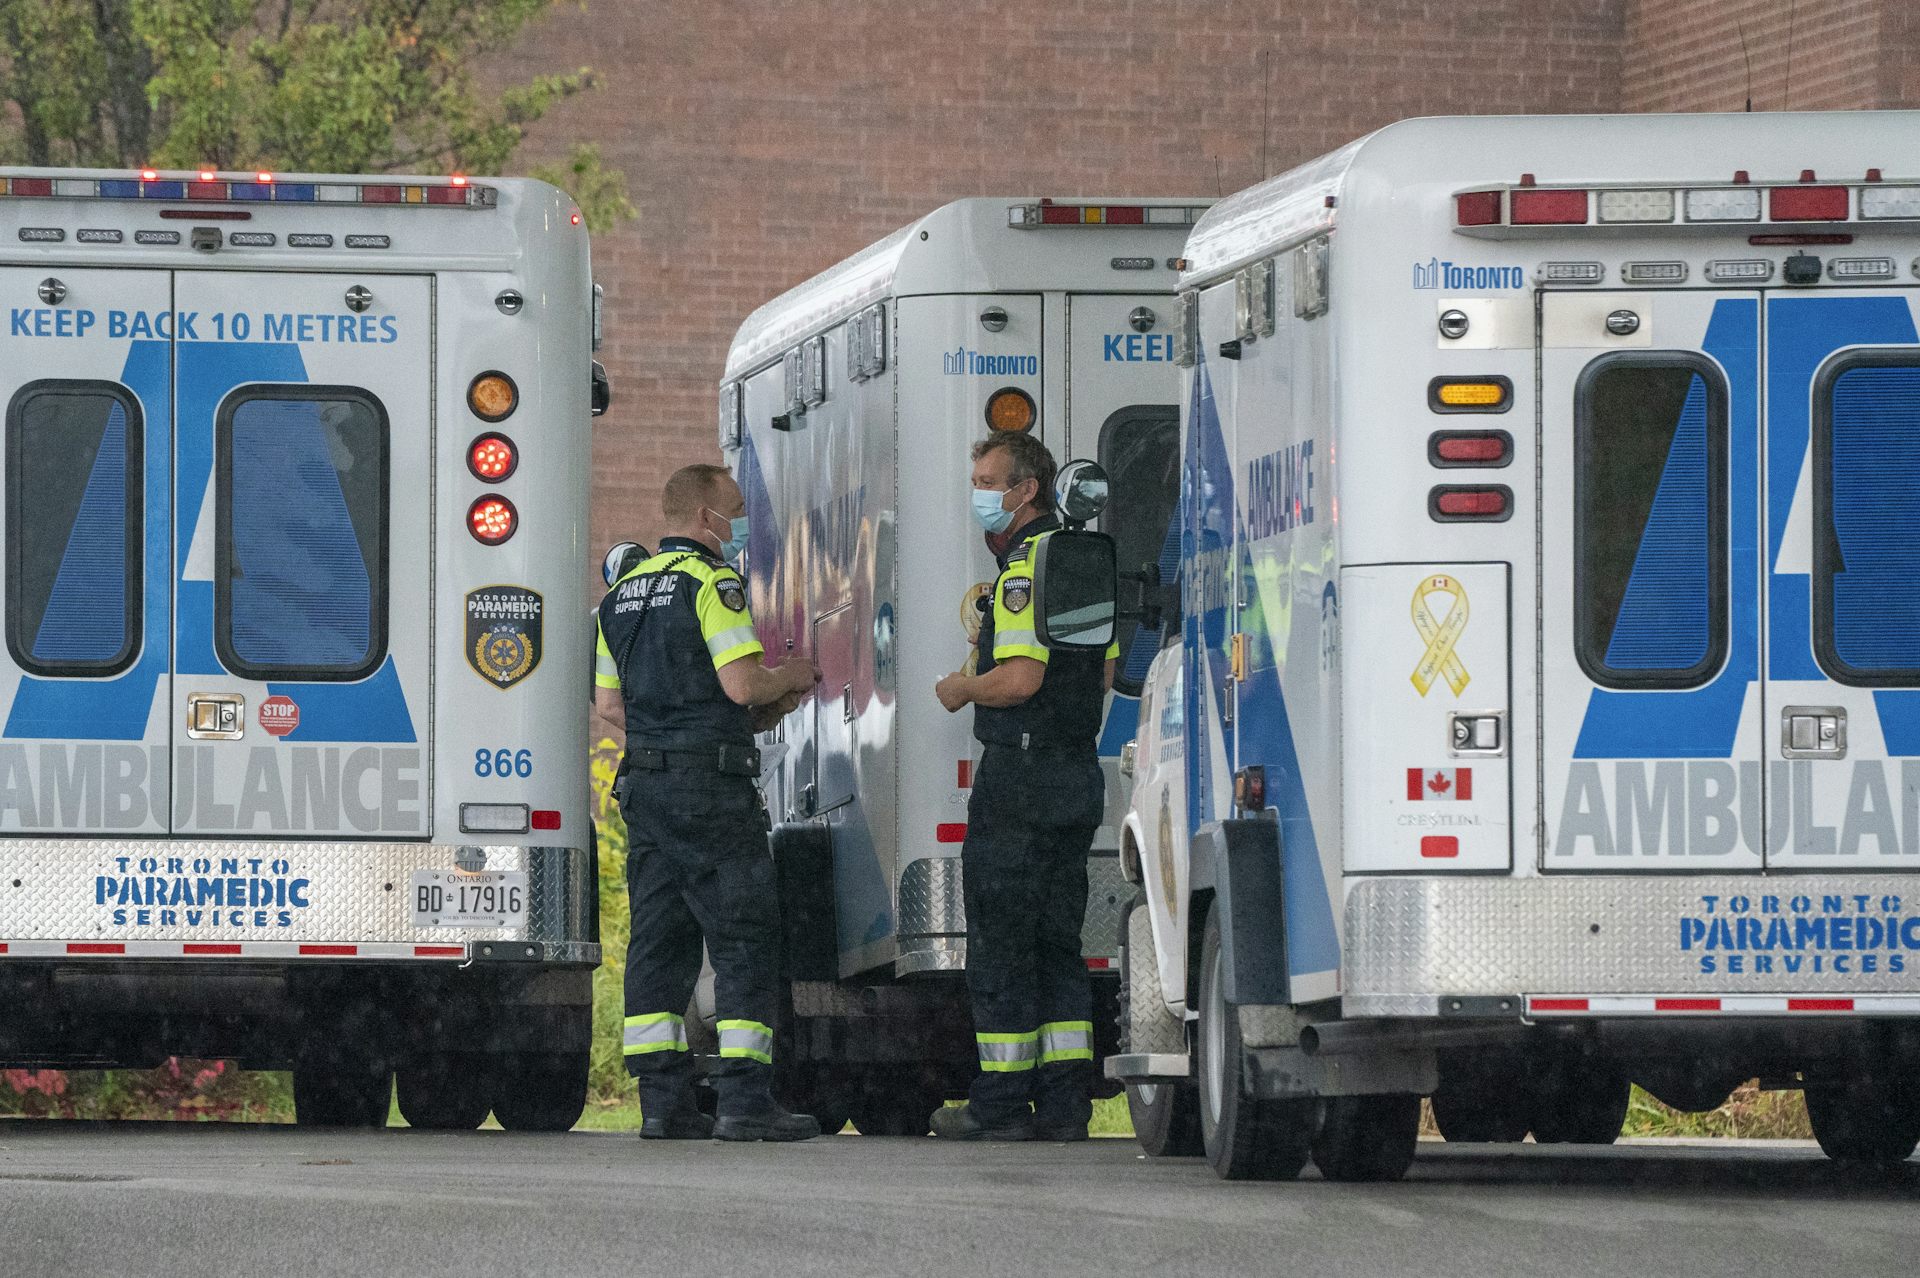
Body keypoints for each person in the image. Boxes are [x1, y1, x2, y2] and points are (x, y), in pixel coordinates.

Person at [593, 463, 820, 1141]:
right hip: (709, 793)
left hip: (647, 785)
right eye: (736, 511)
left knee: (658, 943)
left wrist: (676, 733)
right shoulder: (714, 582)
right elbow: (741, 684)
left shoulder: (620, 595)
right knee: (743, 935)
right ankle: (746, 1102)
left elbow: (609, 706)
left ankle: (663, 1105)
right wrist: (793, 675)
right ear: (704, 519)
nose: (741, 524)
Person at [930, 432, 1116, 1141]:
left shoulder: (1025, 569)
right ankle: (1067, 1105)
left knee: (1003, 941)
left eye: (988, 480)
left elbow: (1019, 679)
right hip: (1074, 773)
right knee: (1058, 943)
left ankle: (1001, 1103)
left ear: (1026, 489)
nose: (979, 492)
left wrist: (962, 687)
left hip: (1020, 777)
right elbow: (1101, 672)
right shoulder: (1085, 562)